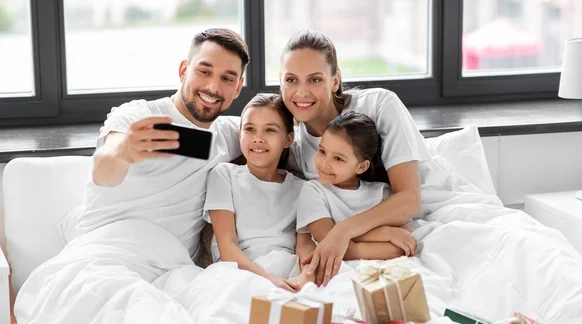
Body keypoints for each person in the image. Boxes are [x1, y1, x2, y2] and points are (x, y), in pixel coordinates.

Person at [72, 29, 249, 265]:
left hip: (174, 271)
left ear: (238, 87)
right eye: (204, 71)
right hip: (107, 256)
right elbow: (104, 170)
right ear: (184, 70)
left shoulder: (231, 134)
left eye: (227, 78)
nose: (213, 87)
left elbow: (288, 136)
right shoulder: (138, 115)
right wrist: (124, 151)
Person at [280, 30, 428, 285]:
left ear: (335, 80)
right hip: (380, 236)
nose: (301, 92)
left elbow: (410, 199)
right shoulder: (292, 143)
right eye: (291, 80)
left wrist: (342, 232)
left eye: (315, 80)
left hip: (427, 208)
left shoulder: (380, 105)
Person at [205, 93, 314, 292]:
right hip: (239, 271)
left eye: (270, 130)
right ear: (240, 134)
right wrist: (271, 281)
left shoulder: (302, 188)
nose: (258, 139)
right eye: (249, 129)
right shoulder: (224, 176)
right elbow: (227, 246)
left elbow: (305, 245)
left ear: (288, 139)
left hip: (288, 269)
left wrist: (305, 277)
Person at [296, 111, 416, 262]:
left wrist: (348, 242)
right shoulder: (313, 192)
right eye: (322, 151)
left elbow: (403, 246)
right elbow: (328, 241)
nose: (325, 163)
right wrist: (386, 234)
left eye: (338, 159)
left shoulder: (382, 194)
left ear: (361, 166)